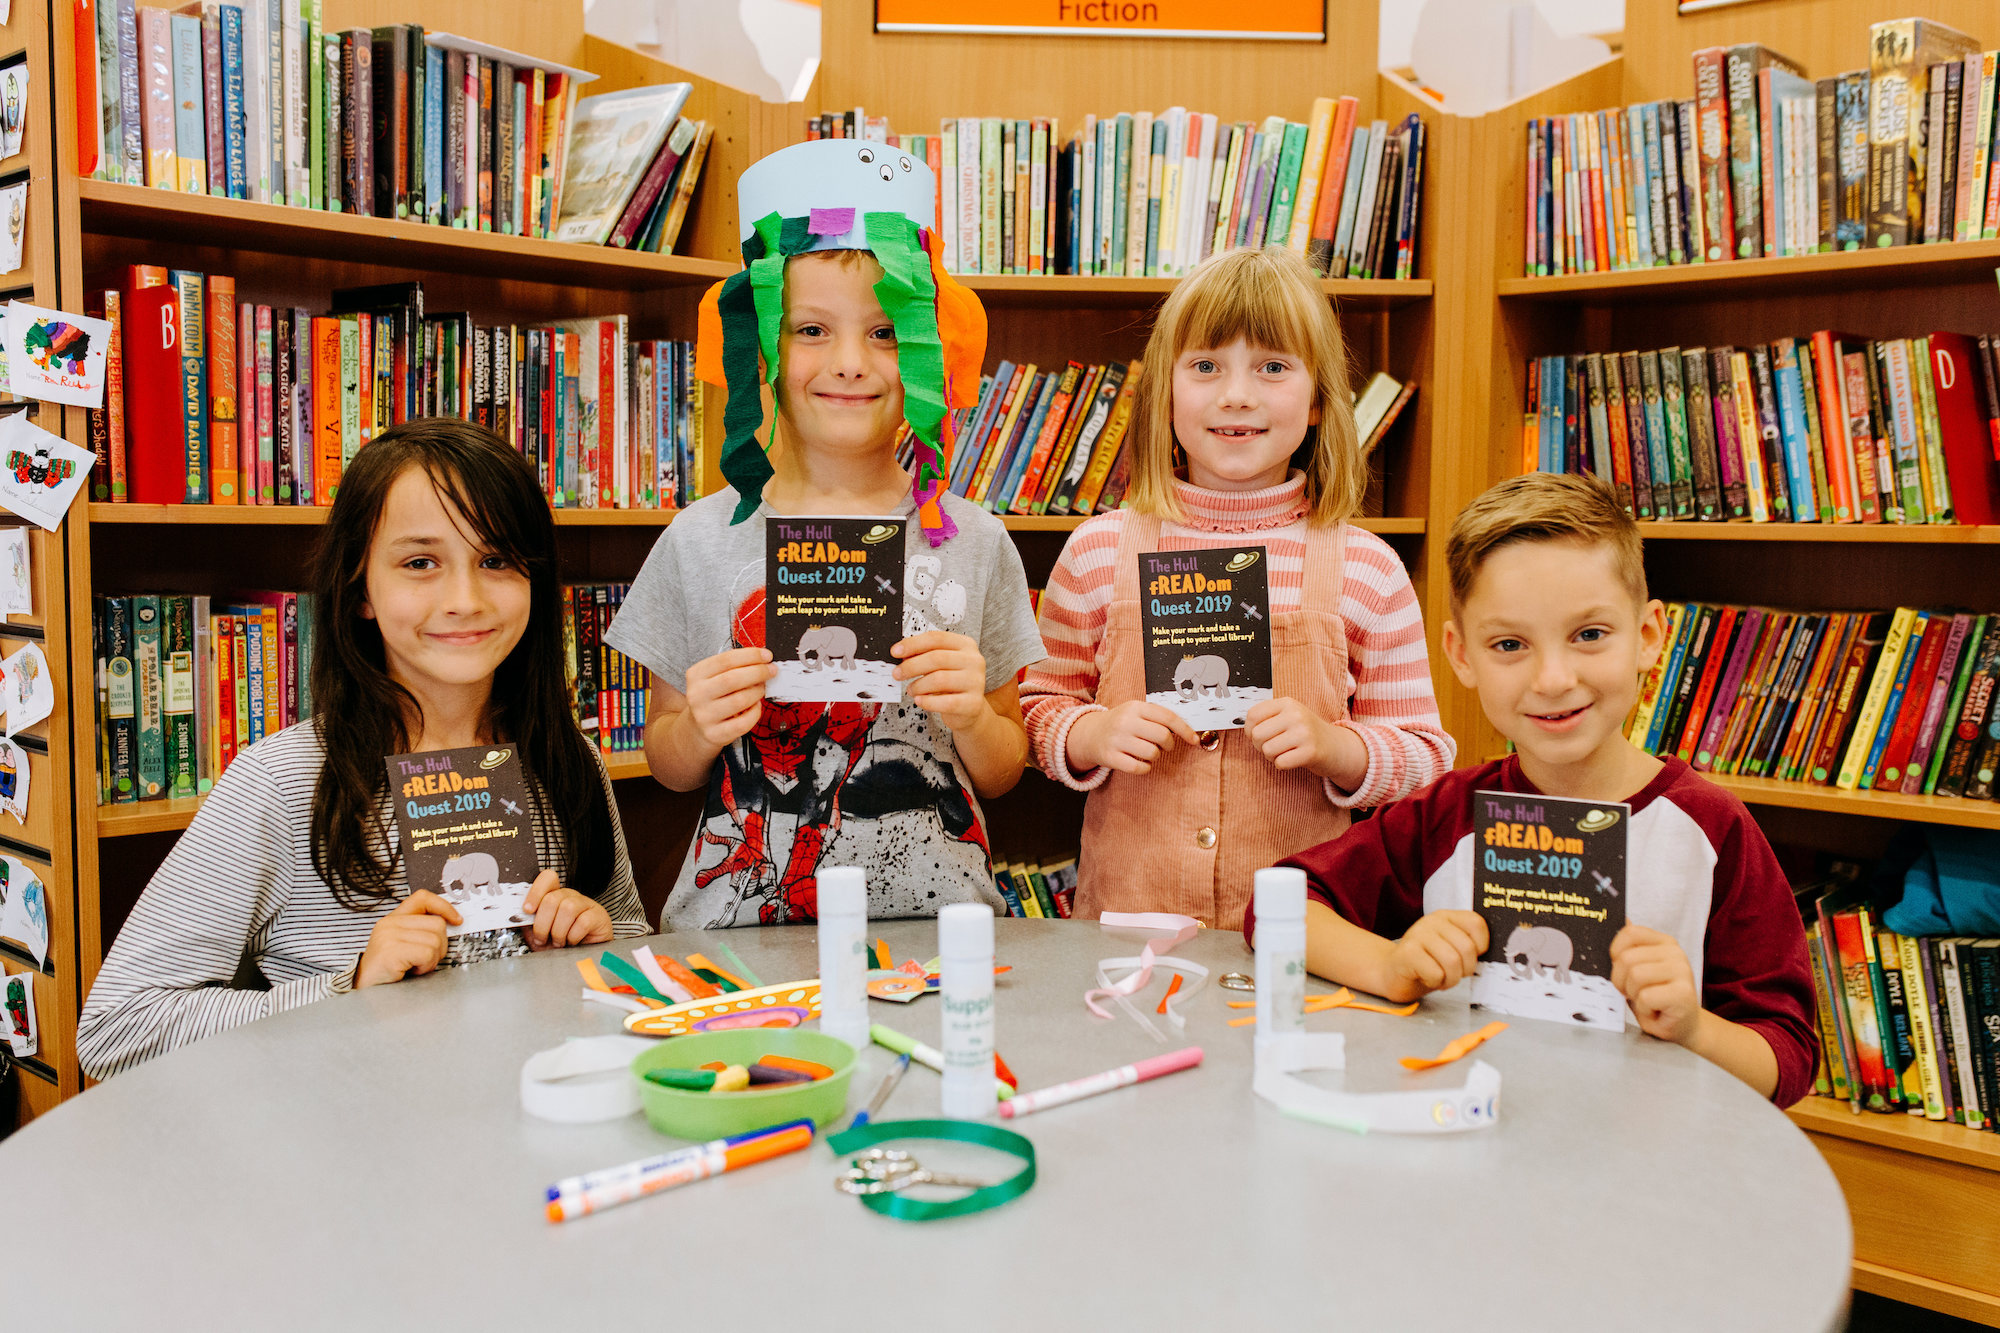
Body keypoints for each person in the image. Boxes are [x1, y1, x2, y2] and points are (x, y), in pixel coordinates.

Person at [78, 421, 649, 1078]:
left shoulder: (568, 761)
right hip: (353, 1149)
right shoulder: (282, 782)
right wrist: (346, 987)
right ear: (358, 591)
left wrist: (595, 945)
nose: (465, 599)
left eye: (496, 560)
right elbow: (116, 1026)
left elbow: (630, 949)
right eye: (420, 563)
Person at [1250, 472, 1817, 1104]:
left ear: (1649, 636)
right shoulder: (1445, 815)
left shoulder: (1712, 829)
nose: (1552, 678)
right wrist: (1393, 965)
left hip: (1645, 1176)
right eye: (1510, 644)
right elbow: (1276, 910)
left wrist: (1691, 1027)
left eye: (1590, 635)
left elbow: (1787, 1059)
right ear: (1461, 655)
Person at [607, 138, 1041, 929]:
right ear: (761, 347)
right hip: (740, 937)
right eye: (811, 330)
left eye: (884, 333)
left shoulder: (974, 540)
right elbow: (667, 767)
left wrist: (973, 716)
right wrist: (699, 725)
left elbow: (1006, 766)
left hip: (938, 930)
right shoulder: (700, 538)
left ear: (925, 350)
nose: (850, 362)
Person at [1020, 246, 1453, 930]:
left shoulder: (1367, 567)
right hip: (1131, 936)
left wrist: (1335, 746)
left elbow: (1426, 757)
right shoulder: (1098, 552)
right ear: (1165, 392)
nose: (1237, 394)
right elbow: (1037, 708)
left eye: (1273, 367)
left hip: (1305, 938)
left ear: (1317, 402)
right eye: (1205, 366)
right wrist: (1092, 734)